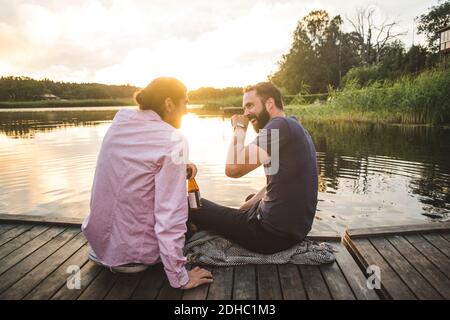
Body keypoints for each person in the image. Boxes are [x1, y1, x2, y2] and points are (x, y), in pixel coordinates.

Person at [82, 77, 213, 289]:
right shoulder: (174, 139)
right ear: (169, 104)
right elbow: (170, 213)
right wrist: (180, 277)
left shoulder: (121, 121)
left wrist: (180, 165)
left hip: (100, 248)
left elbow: (138, 164)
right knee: (189, 219)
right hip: (135, 256)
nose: (187, 110)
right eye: (185, 102)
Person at [189, 82, 318, 254]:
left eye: (250, 105)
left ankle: (179, 253)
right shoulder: (293, 126)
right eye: (244, 108)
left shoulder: (279, 126)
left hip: (269, 236)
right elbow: (279, 182)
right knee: (251, 198)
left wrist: (239, 128)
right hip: (294, 233)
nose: (246, 113)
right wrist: (245, 208)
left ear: (269, 103)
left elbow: (233, 168)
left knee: (192, 204)